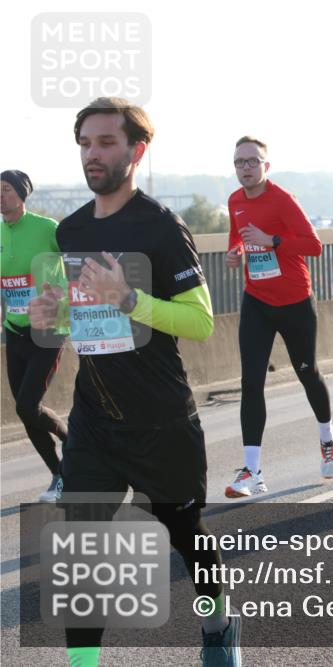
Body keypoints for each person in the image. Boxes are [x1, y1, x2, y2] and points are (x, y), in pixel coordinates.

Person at [27, 97, 239, 666]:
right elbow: (83, 315)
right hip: (94, 423)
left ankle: (218, 626)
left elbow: (198, 321)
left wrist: (128, 296)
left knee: (187, 537)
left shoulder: (161, 226)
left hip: (161, 420)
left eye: (105, 143)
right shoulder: (69, 231)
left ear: (136, 150)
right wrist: (54, 319)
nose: (92, 154)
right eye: (85, 144)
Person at [223, 136, 333, 499]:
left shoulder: (283, 200)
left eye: (253, 161)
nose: (246, 167)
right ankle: (252, 471)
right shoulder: (235, 201)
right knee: (250, 382)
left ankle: (327, 437)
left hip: (294, 302)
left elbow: (314, 246)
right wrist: (236, 253)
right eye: (240, 162)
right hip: (257, 300)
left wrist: (272, 240)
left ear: (266, 166)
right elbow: (236, 238)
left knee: (307, 372)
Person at [1, 169, 68, 502]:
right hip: (14, 331)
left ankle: (69, 440)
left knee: (29, 403)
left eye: (6, 189)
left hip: (49, 330)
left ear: (22, 195)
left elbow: (76, 262)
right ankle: (59, 474)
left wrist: (61, 293)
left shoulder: (47, 228)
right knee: (25, 410)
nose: (1, 195)